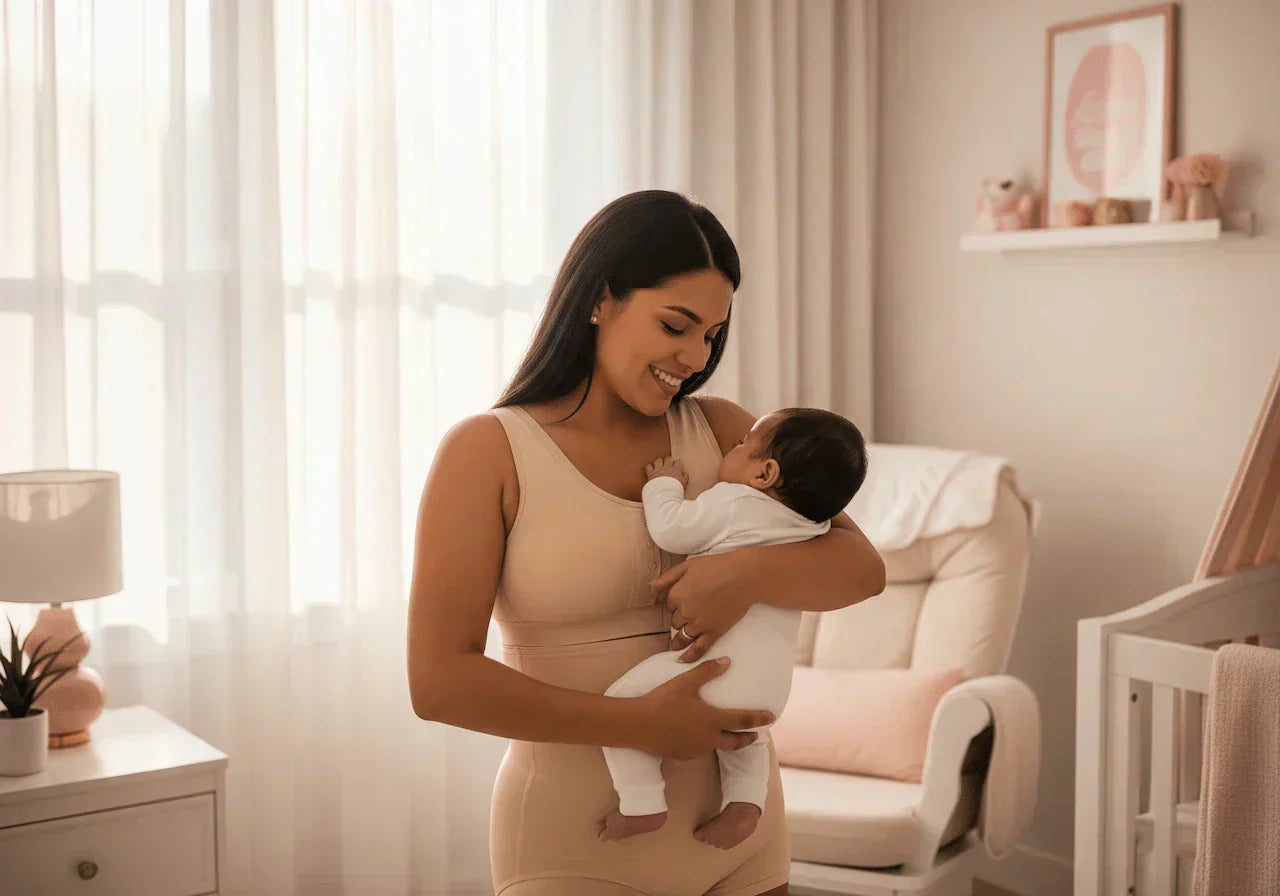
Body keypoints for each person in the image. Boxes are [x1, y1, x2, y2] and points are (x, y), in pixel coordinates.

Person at [406, 190, 886, 896]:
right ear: (602, 300)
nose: (695, 357)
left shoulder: (723, 432)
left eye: (712, 336)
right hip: (575, 838)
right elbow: (439, 681)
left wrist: (746, 574)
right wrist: (639, 723)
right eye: (676, 326)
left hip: (739, 834)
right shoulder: (488, 451)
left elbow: (862, 569)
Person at [598, 408, 868, 851]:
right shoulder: (815, 528)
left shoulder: (736, 501)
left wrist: (663, 484)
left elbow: (672, 530)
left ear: (764, 473)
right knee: (747, 738)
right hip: (769, 687)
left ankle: (642, 800)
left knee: (622, 706)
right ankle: (745, 805)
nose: (733, 447)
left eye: (743, 443)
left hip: (715, 670)